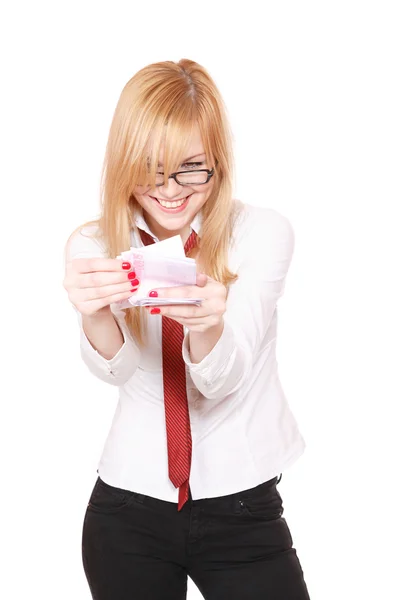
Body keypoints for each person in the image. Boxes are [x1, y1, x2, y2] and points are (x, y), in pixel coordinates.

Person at [63, 58, 311, 600]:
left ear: (218, 163)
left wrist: (206, 325)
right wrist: (94, 313)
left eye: (191, 167)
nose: (170, 190)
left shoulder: (262, 234)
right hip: (127, 508)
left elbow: (224, 377)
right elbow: (117, 368)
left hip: (243, 506)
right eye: (150, 167)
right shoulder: (94, 245)